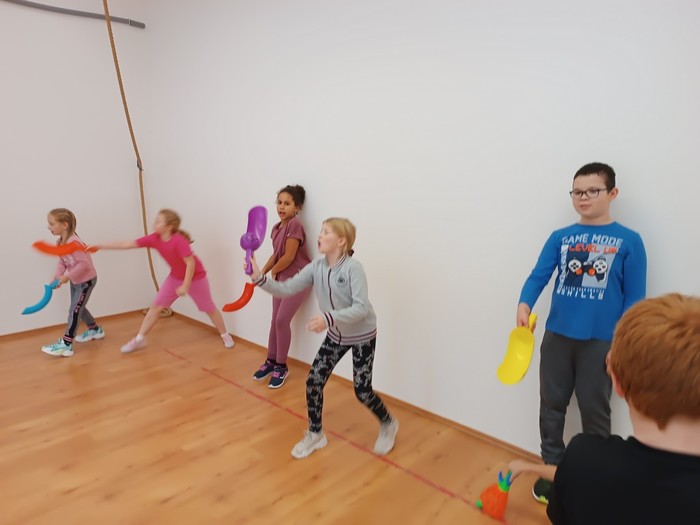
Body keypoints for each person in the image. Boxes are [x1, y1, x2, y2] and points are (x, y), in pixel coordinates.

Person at [506, 293, 700, 524]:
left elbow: (579, 473)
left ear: (616, 381)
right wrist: (529, 467)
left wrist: (528, 467)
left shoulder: (583, 457)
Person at [516, 162, 647, 502]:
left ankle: (595, 477)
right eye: (577, 192)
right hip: (557, 338)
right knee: (551, 407)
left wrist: (620, 344)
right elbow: (538, 276)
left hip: (601, 345)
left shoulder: (630, 241)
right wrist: (524, 303)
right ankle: (551, 471)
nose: (583, 197)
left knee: (595, 412)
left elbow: (635, 299)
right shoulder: (560, 238)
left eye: (592, 191)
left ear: (612, 193)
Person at [250, 218, 399, 459]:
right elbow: (287, 289)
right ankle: (316, 434)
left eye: (326, 232)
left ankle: (388, 423)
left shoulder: (353, 268)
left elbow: (361, 308)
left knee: (362, 391)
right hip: (336, 334)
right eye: (320, 231)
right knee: (314, 381)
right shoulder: (315, 267)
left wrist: (328, 318)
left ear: (341, 241)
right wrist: (260, 278)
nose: (320, 235)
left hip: (362, 335)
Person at [94, 209, 234, 352]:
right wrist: (100, 246)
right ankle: (139, 339)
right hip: (175, 277)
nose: (154, 223)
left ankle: (225, 335)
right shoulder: (154, 238)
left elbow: (190, 264)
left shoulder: (179, 241)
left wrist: (185, 285)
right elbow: (128, 244)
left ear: (169, 227)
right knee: (156, 307)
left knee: (209, 308)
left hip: (196, 278)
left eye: (158, 221)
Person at [253, 185, 312, 389]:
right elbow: (276, 254)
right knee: (275, 321)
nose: (281, 207)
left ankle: (281, 366)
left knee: (281, 320)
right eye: (279, 202)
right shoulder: (276, 228)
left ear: (297, 207)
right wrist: (263, 271)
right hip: (281, 278)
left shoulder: (295, 225)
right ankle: (271, 361)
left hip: (298, 279)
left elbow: (289, 257)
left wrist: (273, 272)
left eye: (287, 203)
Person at [41, 208, 104, 357]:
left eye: (51, 224)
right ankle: (94, 329)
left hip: (86, 281)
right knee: (77, 308)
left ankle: (66, 344)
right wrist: (57, 276)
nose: (48, 227)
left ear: (64, 225)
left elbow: (84, 264)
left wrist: (66, 277)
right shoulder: (60, 242)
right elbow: (62, 261)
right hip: (76, 281)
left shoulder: (74, 243)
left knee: (74, 310)